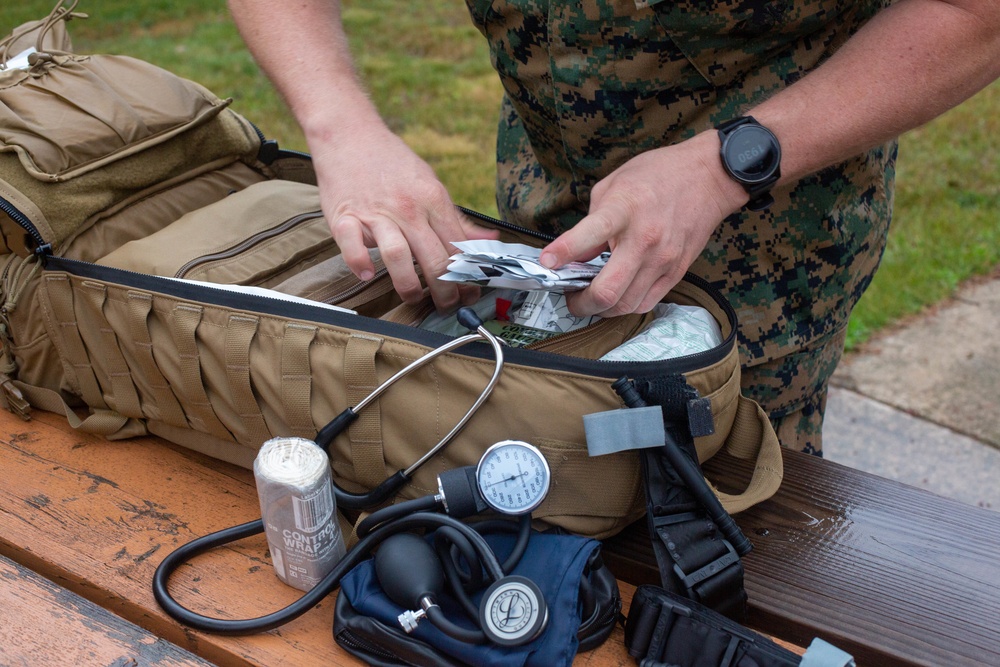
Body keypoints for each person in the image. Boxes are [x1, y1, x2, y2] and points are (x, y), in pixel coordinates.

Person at [226, 0, 1000, 455]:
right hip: (545, 209)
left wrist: (727, 164)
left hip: (763, 262)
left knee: (717, 525)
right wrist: (342, 128)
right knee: (552, 466)